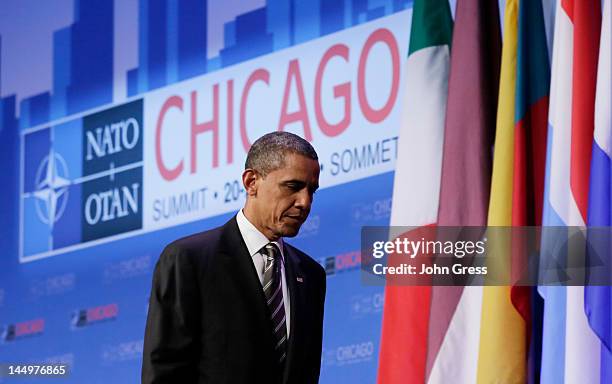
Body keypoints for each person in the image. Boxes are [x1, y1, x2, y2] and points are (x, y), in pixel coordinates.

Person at [142, 132, 326, 384]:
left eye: (311, 191)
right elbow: (165, 372)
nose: (305, 202)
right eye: (293, 187)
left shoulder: (311, 274)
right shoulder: (189, 260)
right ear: (252, 182)